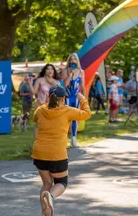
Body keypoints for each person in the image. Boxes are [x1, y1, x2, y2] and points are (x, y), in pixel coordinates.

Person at [32, 86, 91, 216]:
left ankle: (46, 212)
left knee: (47, 183)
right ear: (63, 98)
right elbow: (87, 114)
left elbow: (35, 120)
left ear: (49, 96)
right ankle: (51, 197)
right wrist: (82, 100)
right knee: (61, 182)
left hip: (39, 152)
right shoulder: (68, 110)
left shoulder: (40, 110)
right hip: (57, 153)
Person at [28, 64, 60, 138]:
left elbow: (60, 94)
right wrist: (30, 84)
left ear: (54, 71)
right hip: (40, 105)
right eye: (48, 69)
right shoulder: (39, 80)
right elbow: (34, 92)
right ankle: (37, 144)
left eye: (52, 69)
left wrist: (53, 83)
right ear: (45, 71)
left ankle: (49, 143)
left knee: (51, 125)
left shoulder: (56, 82)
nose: (50, 71)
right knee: (37, 124)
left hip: (52, 106)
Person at [62, 53, 86, 148]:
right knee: (65, 118)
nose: (72, 61)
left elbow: (82, 87)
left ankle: (74, 139)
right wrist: (70, 74)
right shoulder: (65, 70)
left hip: (76, 98)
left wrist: (83, 100)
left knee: (75, 118)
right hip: (67, 97)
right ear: (69, 61)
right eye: (71, 59)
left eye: (74, 59)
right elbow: (65, 84)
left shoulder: (81, 71)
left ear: (77, 61)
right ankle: (63, 139)